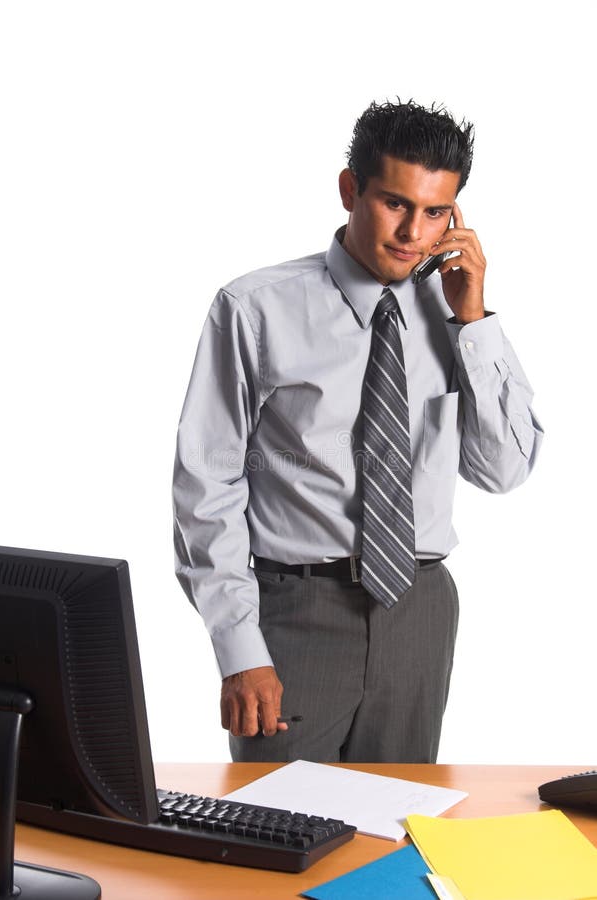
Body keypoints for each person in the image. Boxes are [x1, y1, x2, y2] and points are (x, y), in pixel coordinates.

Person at [172, 99, 543, 764]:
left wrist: (474, 321)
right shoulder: (254, 308)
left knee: (401, 816)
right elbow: (207, 483)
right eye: (395, 203)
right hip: (295, 611)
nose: (413, 231)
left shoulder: (457, 316)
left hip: (419, 610)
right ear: (350, 190)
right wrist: (239, 648)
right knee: (276, 818)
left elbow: (503, 470)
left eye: (435, 211)